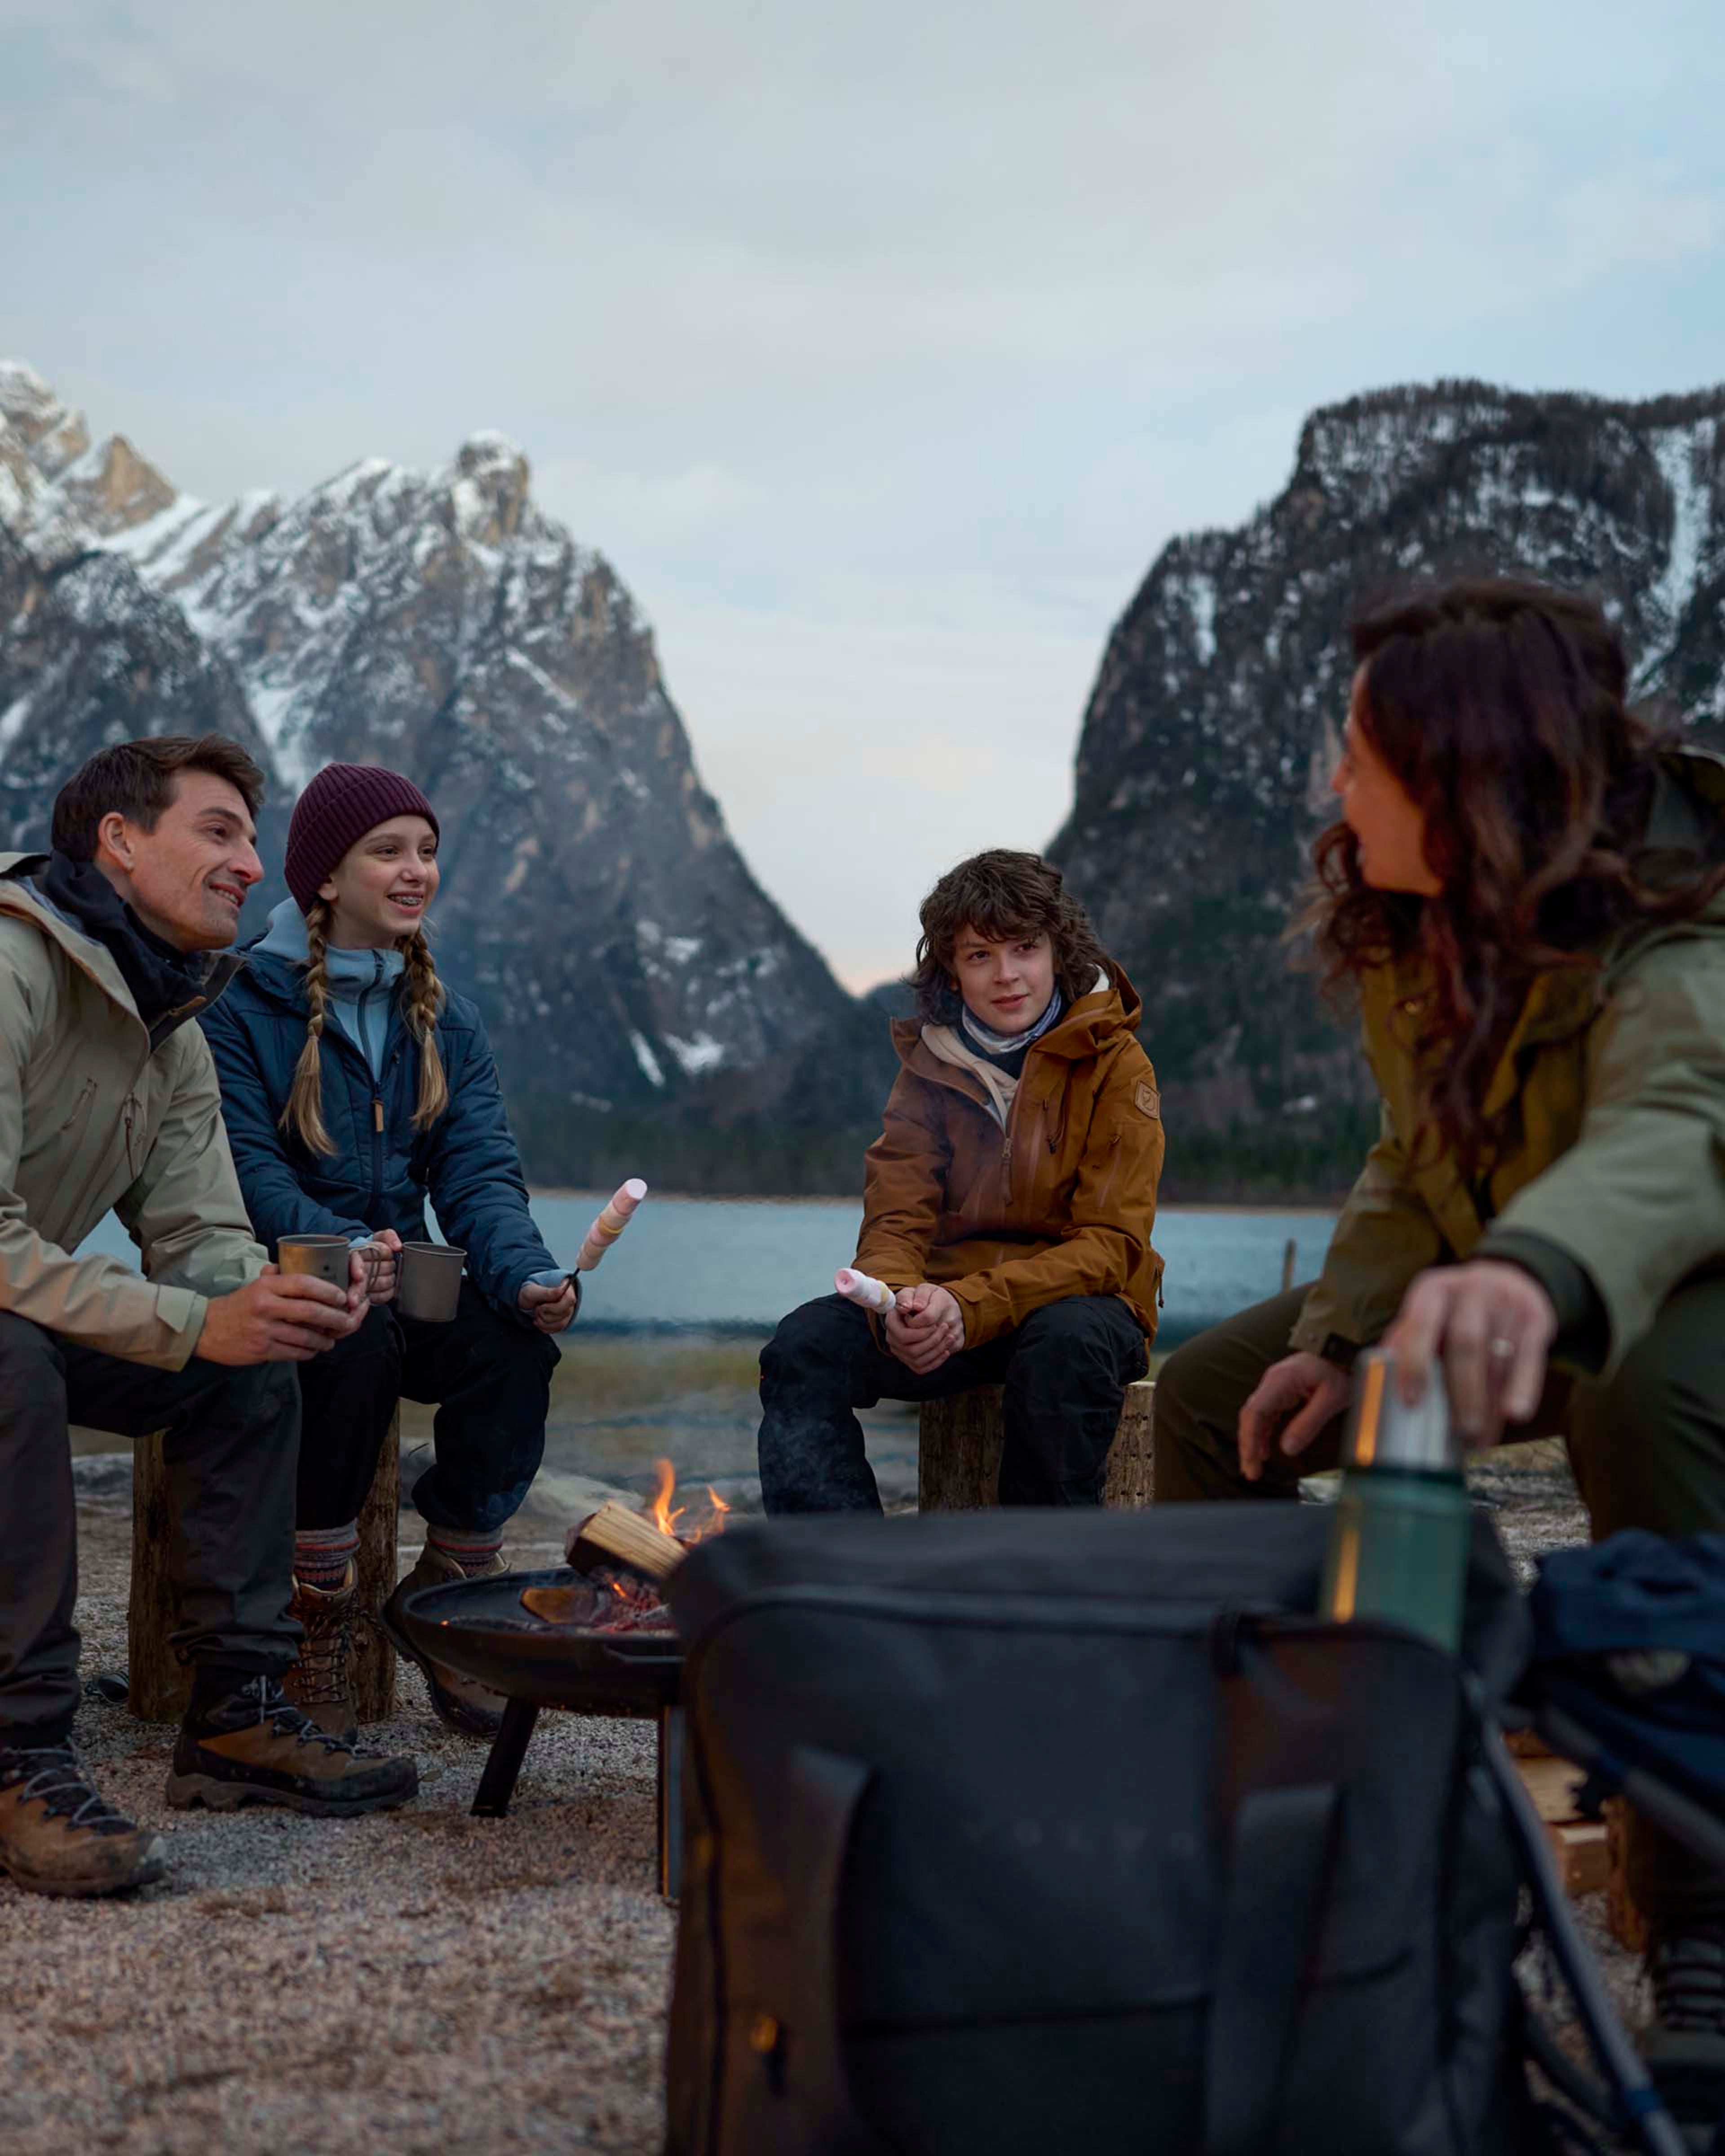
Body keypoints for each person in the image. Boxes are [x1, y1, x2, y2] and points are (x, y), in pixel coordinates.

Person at [1151, 578, 1725, 2129]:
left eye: (1361, 755)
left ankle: (1705, 1926)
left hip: (1678, 1282)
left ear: (1463, 767)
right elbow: (1413, 1165)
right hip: (1496, 1269)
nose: (1336, 785)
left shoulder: (1683, 914)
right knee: (1221, 1401)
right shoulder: (1417, 915)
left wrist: (1537, 1274)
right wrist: (1342, 1336)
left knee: (1645, 1388)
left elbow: (1678, 1133)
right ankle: (1264, 1824)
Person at [0, 737, 420, 1901]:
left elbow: (193, 1236)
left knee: (251, 1359)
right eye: (219, 832)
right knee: (10, 1361)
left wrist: (265, 1294)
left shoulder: (169, 1014)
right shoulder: (10, 965)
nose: (251, 864)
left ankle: (237, 1718)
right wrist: (191, 1321)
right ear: (119, 843)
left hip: (18, 1298)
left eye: (252, 835)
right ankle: (21, 1750)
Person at [199, 764, 576, 1743]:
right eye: (389, 852)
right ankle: (314, 1608)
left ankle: (452, 1581)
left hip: (394, 1269)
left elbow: (480, 1174)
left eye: (427, 852)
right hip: (269, 1278)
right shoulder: (240, 1006)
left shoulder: (445, 1016)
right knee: (352, 1341)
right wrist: (332, 1249)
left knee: (514, 1346)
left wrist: (527, 1273)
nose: (417, 872)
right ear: (324, 876)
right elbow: (241, 1167)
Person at [758, 848, 1164, 1512]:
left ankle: (1030, 1577)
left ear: (1056, 952)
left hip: (1080, 1305)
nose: (1006, 976)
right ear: (951, 968)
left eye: (1024, 950)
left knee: (1065, 1349)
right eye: (980, 956)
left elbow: (1110, 1245)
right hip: (947, 1312)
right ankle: (837, 1569)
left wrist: (971, 1305)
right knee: (804, 1348)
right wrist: (898, 1303)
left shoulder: (1116, 1062)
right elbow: (896, 1216)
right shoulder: (928, 1066)